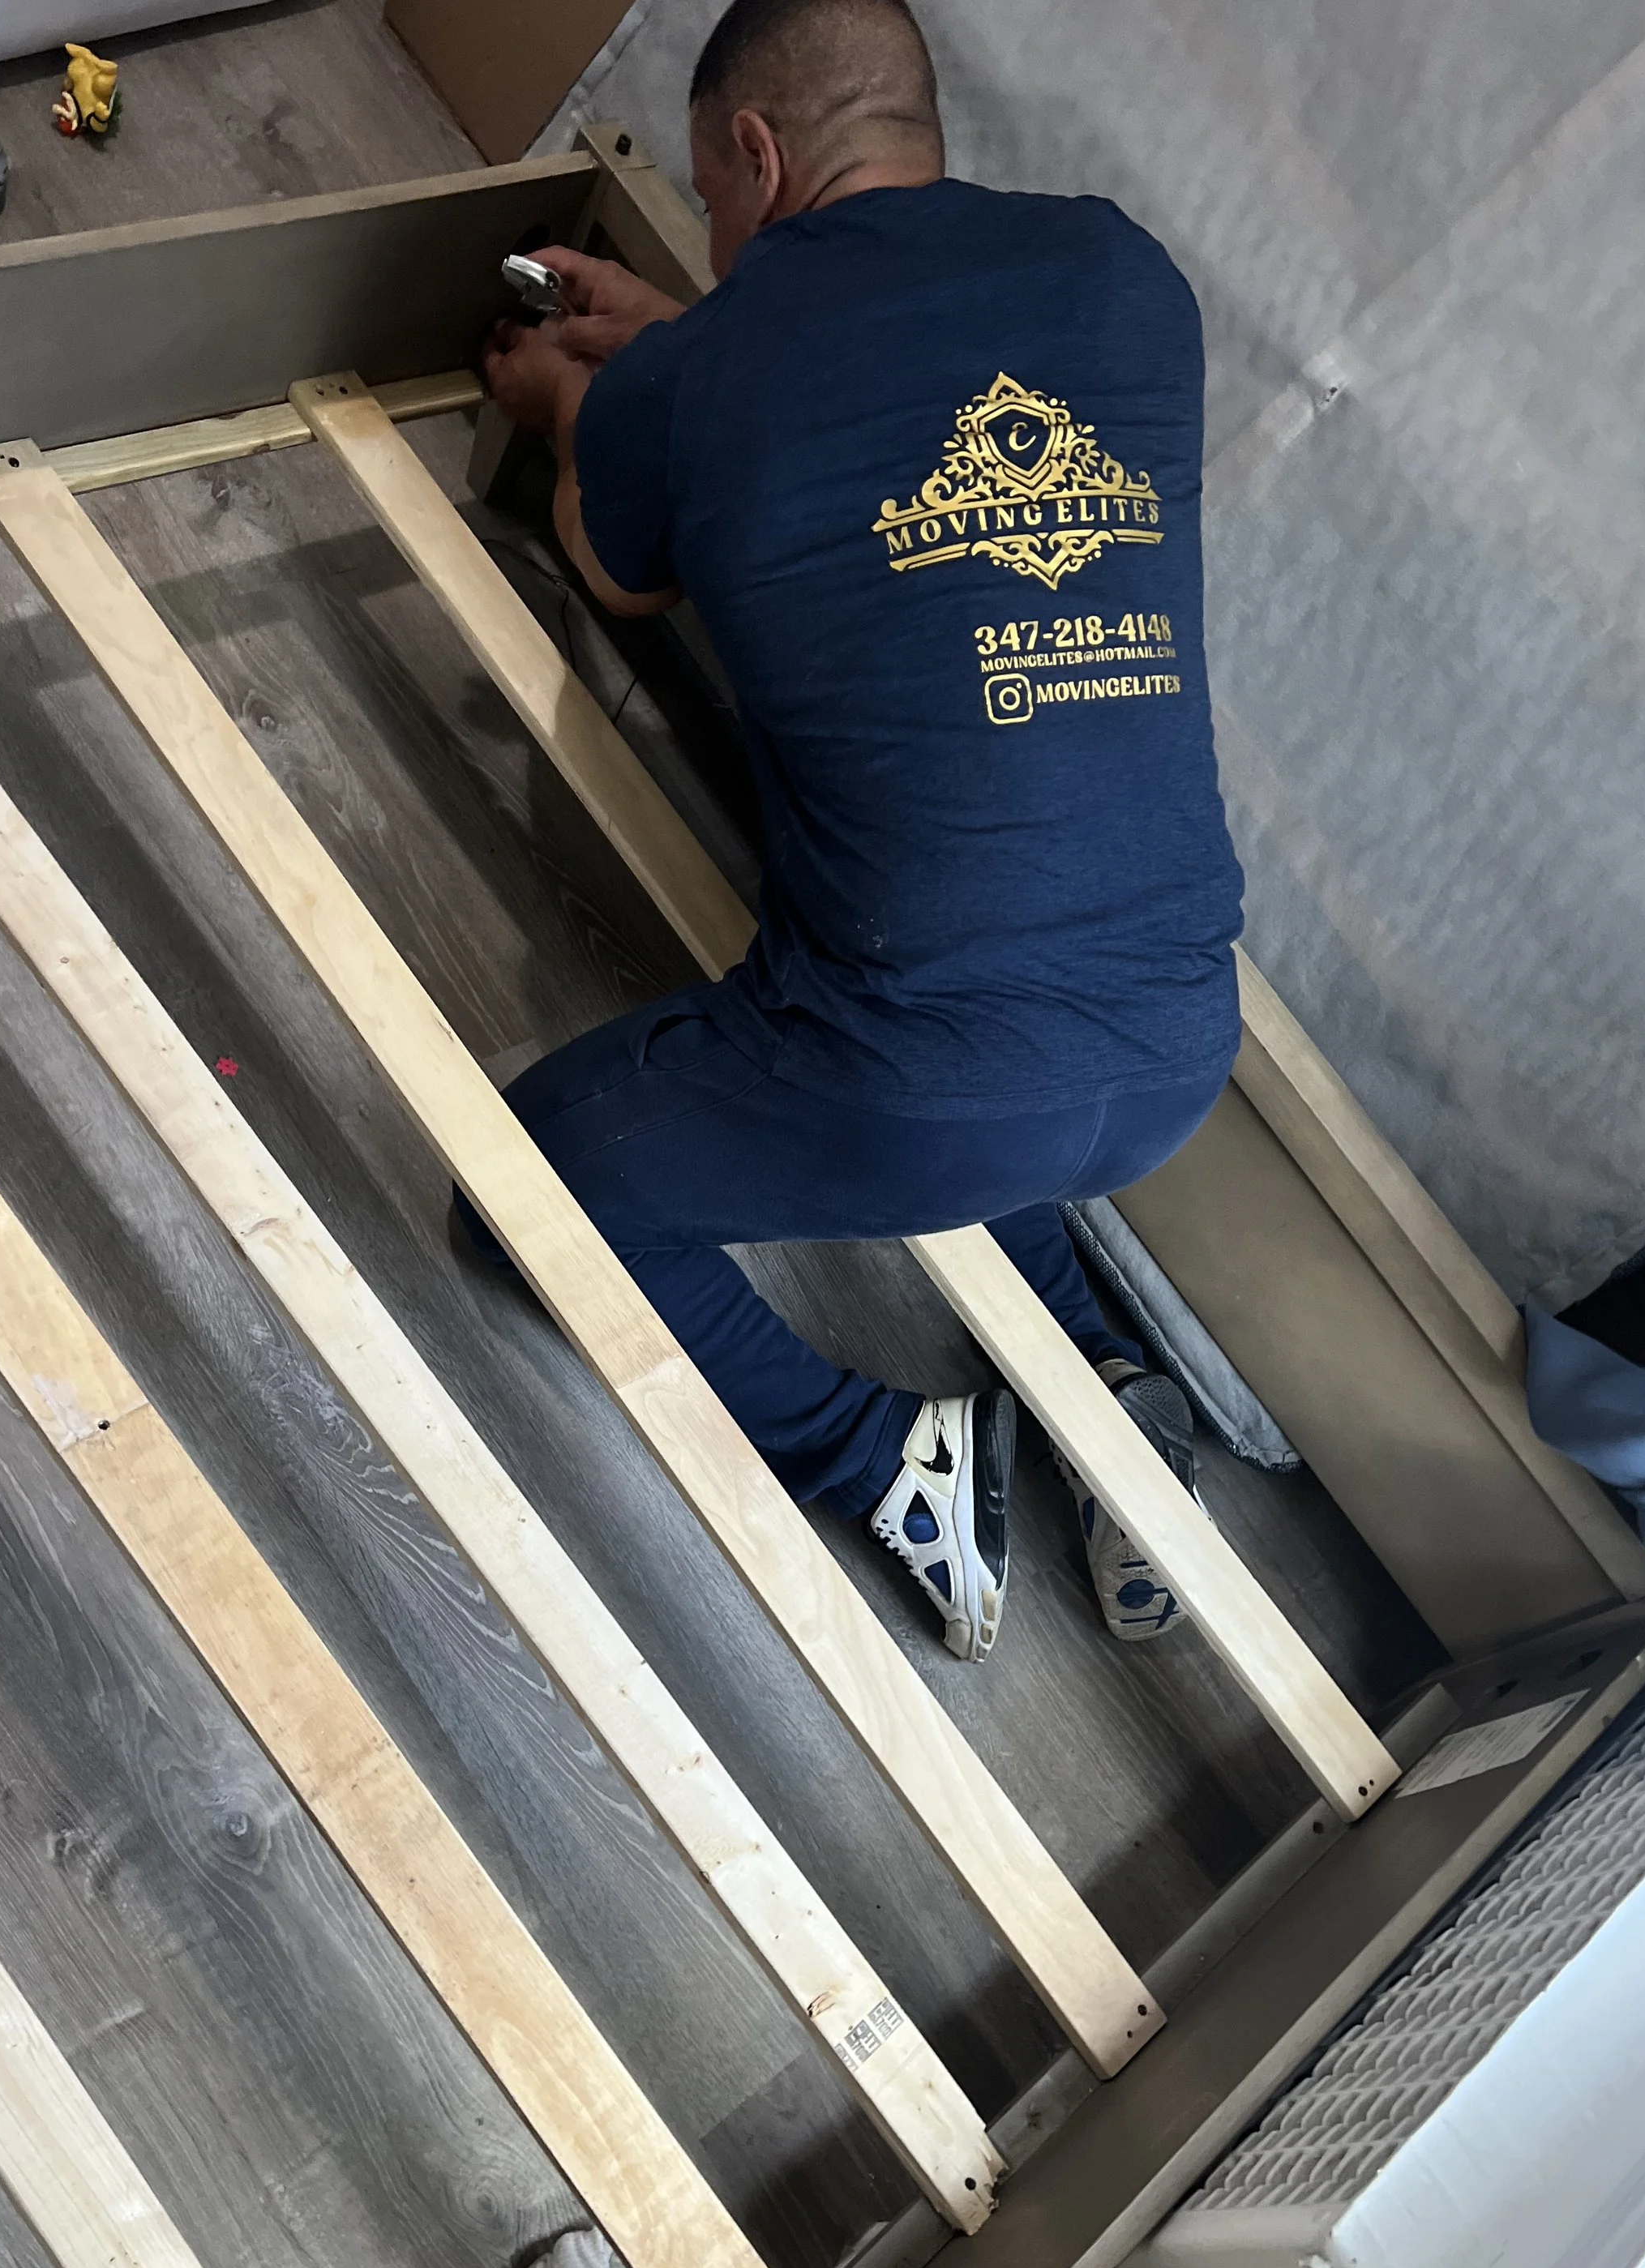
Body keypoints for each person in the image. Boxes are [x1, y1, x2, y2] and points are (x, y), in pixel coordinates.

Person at [476, 0, 1244, 1663]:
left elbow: (623, 564)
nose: (712, 229)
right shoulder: (1125, 279)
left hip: (914, 1081)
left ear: (751, 153)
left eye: (706, 191)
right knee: (982, 1039)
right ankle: (1109, 1375)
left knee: (530, 1178)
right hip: (1178, 1050)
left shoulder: (711, 369)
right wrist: (690, 350)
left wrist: (571, 411)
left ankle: (884, 1455)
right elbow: (882, 399)